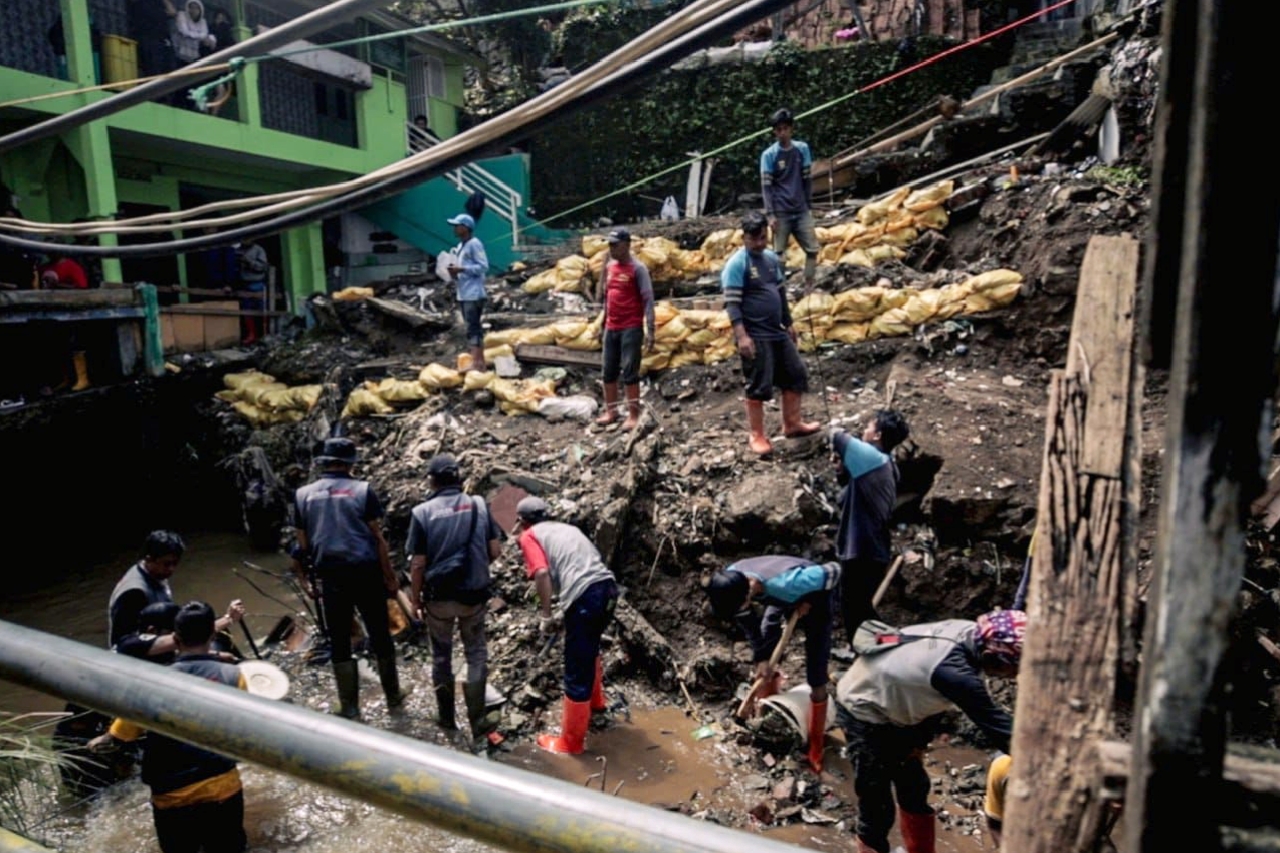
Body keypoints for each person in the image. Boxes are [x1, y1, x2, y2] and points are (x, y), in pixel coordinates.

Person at [834, 609, 1026, 853]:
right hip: (863, 709)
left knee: (914, 787)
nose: (1015, 677)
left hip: (900, 696)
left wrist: (919, 741)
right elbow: (998, 728)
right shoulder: (956, 675)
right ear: (991, 657)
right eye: (1013, 669)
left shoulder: (969, 632)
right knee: (877, 805)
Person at [89, 601, 249, 853]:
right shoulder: (233, 675)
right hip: (223, 787)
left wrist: (99, 742)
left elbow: (121, 737)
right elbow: (243, 729)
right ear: (212, 635)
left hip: (173, 798)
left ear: (174, 638)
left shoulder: (150, 684)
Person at [292, 437, 406, 719]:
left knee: (340, 640)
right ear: (350, 464)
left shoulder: (303, 495)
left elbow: (303, 544)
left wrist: (308, 581)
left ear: (324, 463)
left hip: (330, 577)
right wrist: (389, 577)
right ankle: (393, 697)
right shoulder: (362, 490)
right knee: (380, 634)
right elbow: (377, 538)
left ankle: (350, 706)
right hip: (365, 573)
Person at [705, 556, 841, 772]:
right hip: (780, 595)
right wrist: (761, 658)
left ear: (747, 596)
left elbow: (835, 569)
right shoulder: (731, 580)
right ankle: (766, 710)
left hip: (815, 593)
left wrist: (810, 599)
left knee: (816, 670)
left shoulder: (788, 584)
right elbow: (749, 623)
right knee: (768, 634)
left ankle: (816, 744)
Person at [406, 453, 504, 743]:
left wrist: (415, 600)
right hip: (473, 596)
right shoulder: (478, 506)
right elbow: (496, 552)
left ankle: (447, 720)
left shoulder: (421, 513)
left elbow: (417, 564)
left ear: (432, 480)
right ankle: (477, 724)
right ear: (458, 478)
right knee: (475, 654)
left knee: (441, 657)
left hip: (439, 600)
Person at [512, 497, 619, 755]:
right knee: (589, 647)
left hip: (585, 596)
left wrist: (547, 616)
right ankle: (596, 704)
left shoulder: (529, 536)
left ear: (523, 522)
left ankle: (570, 744)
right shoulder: (567, 529)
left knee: (575, 666)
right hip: (608, 590)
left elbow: (540, 573)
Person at [721, 211, 821, 455]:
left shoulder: (771, 259)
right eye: (754, 239)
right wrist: (742, 336)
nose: (759, 243)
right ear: (743, 237)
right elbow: (732, 304)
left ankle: (792, 423)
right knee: (758, 384)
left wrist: (788, 323)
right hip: (755, 334)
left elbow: (781, 293)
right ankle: (757, 434)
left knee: (795, 373)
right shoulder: (737, 264)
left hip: (776, 331)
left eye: (763, 238)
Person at [831, 410, 910, 642]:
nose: (864, 429)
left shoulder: (873, 459)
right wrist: (841, 469)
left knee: (857, 613)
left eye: (868, 426)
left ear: (877, 435)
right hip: (869, 549)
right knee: (858, 610)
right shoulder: (883, 464)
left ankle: (886, 647)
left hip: (864, 550)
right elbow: (845, 497)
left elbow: (835, 434)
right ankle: (874, 652)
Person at [107, 530, 245, 656]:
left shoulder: (156, 574)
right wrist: (228, 621)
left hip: (165, 636)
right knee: (214, 638)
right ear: (149, 559)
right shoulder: (134, 593)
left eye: (175, 563)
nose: (171, 569)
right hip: (144, 653)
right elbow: (122, 645)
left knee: (218, 631)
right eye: (167, 564)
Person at [593, 228, 654, 430]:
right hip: (612, 326)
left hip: (631, 326)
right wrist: (602, 325)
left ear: (627, 245)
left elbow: (648, 300)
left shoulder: (638, 269)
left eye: (615, 245)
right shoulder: (610, 267)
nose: (612, 249)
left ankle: (633, 414)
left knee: (630, 370)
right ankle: (611, 411)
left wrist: (650, 329)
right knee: (608, 370)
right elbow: (607, 299)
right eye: (609, 245)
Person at [761, 108, 819, 290]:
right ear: (774, 132)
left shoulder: (802, 150)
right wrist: (770, 214)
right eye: (778, 130)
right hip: (781, 211)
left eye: (785, 128)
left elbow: (807, 179)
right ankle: (780, 291)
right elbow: (766, 188)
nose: (782, 133)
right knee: (778, 255)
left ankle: (808, 285)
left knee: (812, 249)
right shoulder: (769, 155)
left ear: (791, 129)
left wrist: (809, 205)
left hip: (800, 209)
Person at [445, 213, 489, 372]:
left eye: (457, 226)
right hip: (463, 293)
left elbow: (483, 267)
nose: (455, 229)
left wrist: (462, 269)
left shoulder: (474, 244)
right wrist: (453, 273)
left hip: (473, 293)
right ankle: (478, 362)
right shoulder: (459, 247)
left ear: (466, 228)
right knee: (471, 328)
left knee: (473, 328)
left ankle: (477, 364)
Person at [128, 0, 177, 80]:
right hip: (148, 39)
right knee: (153, 70)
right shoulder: (142, 4)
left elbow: (173, 13)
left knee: (168, 69)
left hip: (161, 39)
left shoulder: (158, 3)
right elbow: (169, 13)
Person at [235, 237, 268, 344]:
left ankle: (265, 334)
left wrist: (249, 261)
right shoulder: (237, 250)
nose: (245, 240)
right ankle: (251, 334)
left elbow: (262, 267)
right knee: (247, 311)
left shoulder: (258, 250)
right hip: (243, 284)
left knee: (262, 310)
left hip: (257, 283)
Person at [171, 0, 216, 67]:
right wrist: (200, 37)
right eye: (191, 7)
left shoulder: (203, 21)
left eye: (196, 8)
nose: (193, 10)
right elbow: (184, 32)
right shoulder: (182, 15)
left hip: (197, 52)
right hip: (180, 52)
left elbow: (205, 34)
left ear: (200, 10)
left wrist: (206, 38)